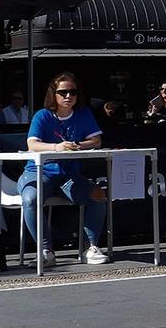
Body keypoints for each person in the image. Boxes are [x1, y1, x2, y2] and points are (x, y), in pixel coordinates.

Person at [19, 72, 109, 264]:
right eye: (63, 92)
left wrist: (76, 144)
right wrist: (56, 147)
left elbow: (96, 141)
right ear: (54, 94)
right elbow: (32, 145)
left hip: (68, 176)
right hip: (39, 172)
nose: (69, 96)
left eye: (73, 92)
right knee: (30, 199)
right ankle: (45, 251)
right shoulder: (42, 116)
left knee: (98, 195)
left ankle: (90, 247)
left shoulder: (83, 113)